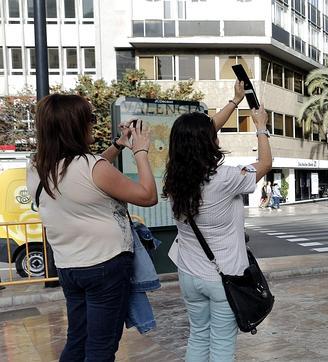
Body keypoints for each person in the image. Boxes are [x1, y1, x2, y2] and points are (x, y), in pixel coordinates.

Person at [27, 94, 157, 361]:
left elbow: (89, 174)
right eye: (90, 119)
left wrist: (118, 145)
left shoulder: (36, 167)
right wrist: (140, 151)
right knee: (101, 347)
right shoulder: (91, 167)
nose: (93, 125)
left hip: (69, 267)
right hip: (105, 266)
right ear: (76, 126)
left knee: (78, 339)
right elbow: (147, 196)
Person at [163, 84, 272, 361]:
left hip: (189, 274)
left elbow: (200, 134)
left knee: (198, 336)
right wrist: (260, 126)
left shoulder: (174, 180)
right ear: (208, 142)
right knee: (222, 345)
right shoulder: (225, 178)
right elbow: (265, 163)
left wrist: (235, 101)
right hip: (224, 277)